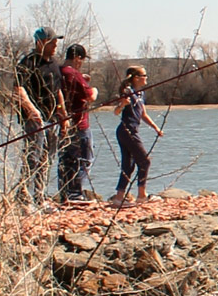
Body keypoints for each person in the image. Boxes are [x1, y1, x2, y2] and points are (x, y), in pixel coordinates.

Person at [12, 27, 65, 209]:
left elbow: (58, 90)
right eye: (52, 43)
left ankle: (40, 197)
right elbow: (18, 89)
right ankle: (23, 196)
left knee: (47, 158)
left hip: (52, 119)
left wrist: (62, 113)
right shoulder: (27, 63)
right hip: (33, 120)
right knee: (33, 157)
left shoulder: (54, 64)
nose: (55, 46)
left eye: (56, 43)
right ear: (40, 42)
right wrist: (32, 110)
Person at [107, 66, 162, 206]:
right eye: (144, 75)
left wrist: (155, 128)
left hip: (132, 130)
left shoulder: (141, 94)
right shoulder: (128, 92)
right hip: (127, 130)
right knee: (145, 161)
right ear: (136, 78)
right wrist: (122, 104)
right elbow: (116, 112)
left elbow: (143, 114)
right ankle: (142, 195)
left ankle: (119, 198)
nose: (146, 78)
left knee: (128, 166)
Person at [55, 44, 98, 203]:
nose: (81, 63)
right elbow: (90, 96)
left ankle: (64, 194)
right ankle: (75, 194)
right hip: (78, 124)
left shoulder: (59, 72)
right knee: (85, 158)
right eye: (82, 60)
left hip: (63, 124)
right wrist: (94, 90)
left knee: (66, 159)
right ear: (77, 58)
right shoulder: (73, 73)